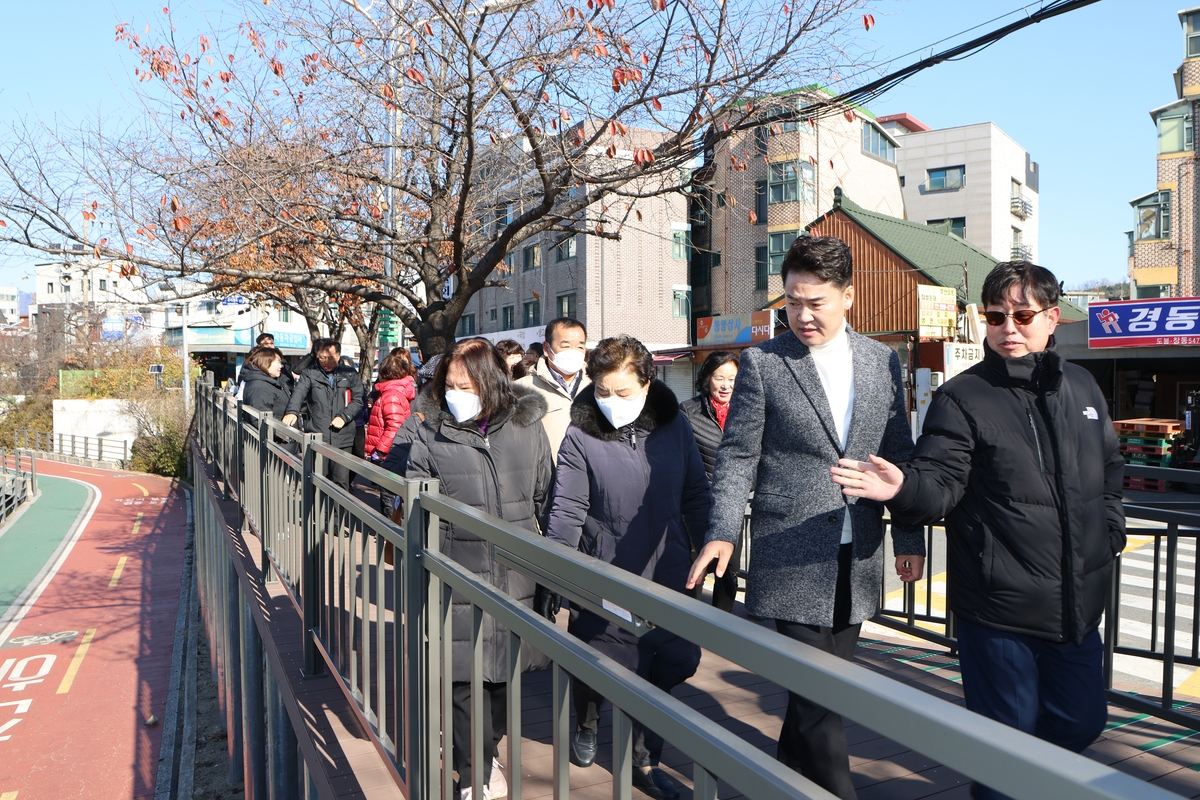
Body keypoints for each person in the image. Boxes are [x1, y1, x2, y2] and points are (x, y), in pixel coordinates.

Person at [830, 261, 1125, 800]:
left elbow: (1109, 470)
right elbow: (939, 483)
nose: (1008, 327)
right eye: (995, 316)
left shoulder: (1083, 386)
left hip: (1078, 607)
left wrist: (1110, 532)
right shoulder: (961, 397)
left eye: (1022, 315)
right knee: (1004, 750)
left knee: (1082, 722)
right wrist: (901, 491)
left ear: (1053, 317)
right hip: (998, 611)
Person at [686, 235, 925, 800]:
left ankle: (782, 784)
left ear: (848, 296)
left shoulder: (880, 360)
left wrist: (908, 534)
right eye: (792, 301)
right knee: (822, 696)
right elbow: (739, 455)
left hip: (858, 547)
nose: (801, 313)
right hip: (789, 548)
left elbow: (899, 456)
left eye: (815, 301)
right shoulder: (765, 363)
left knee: (814, 695)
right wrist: (722, 532)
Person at [546, 335, 710, 800]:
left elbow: (696, 492)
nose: (611, 402)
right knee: (599, 656)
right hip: (606, 568)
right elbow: (567, 509)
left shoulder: (674, 428)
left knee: (662, 663)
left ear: (646, 384)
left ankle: (645, 758)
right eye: (602, 392)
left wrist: (713, 545)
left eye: (623, 393)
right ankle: (588, 718)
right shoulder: (580, 435)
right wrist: (558, 568)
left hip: (669, 568)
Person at [402, 337, 554, 800]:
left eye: (465, 385)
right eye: (449, 385)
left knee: (502, 684)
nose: (455, 393)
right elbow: (412, 500)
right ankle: (474, 776)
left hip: (516, 576)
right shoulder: (430, 431)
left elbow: (546, 494)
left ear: (490, 384)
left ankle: (484, 753)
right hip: (457, 574)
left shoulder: (528, 428)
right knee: (464, 682)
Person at [678, 350, 741, 611]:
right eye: (719, 377)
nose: (726, 385)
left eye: (732, 378)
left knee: (728, 572)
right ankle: (691, 628)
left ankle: (723, 628)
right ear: (707, 378)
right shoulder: (688, 412)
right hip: (697, 504)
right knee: (696, 568)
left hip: (732, 506)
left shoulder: (747, 411)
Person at [282, 338, 365, 491]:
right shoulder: (310, 373)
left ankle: (338, 515)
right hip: (318, 434)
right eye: (322, 357)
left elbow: (359, 400)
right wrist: (291, 412)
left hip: (343, 436)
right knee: (319, 480)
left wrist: (344, 417)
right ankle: (320, 513)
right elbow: (298, 394)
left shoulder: (350, 374)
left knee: (341, 481)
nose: (326, 361)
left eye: (330, 357)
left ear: (339, 356)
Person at [517, 317, 590, 459]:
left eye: (580, 346)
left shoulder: (599, 386)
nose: (573, 352)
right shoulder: (522, 389)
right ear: (546, 348)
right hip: (547, 476)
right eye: (566, 346)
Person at [364, 349, 418, 514]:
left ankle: (391, 534)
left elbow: (394, 427)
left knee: (389, 497)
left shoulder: (391, 395)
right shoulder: (392, 393)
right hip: (392, 452)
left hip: (388, 454)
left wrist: (379, 450)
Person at [239, 346, 291, 417]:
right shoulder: (260, 387)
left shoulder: (269, 382)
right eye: (278, 362)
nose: (280, 366)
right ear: (266, 362)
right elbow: (260, 420)